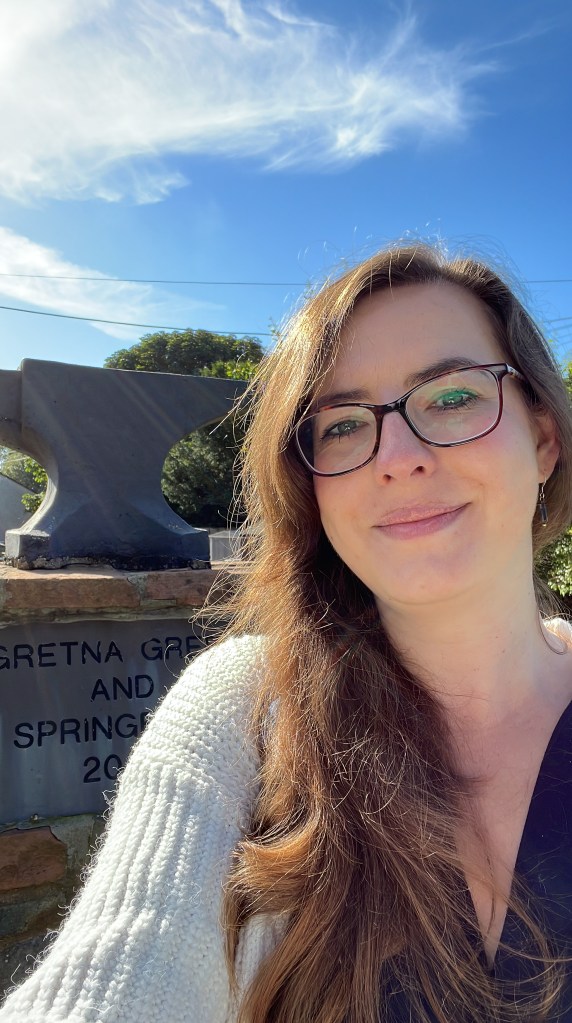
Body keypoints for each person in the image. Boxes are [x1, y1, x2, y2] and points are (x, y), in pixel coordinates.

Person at [2, 243, 572, 1023]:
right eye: (341, 424)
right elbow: (126, 965)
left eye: (450, 398)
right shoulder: (243, 711)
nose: (397, 458)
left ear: (543, 437)